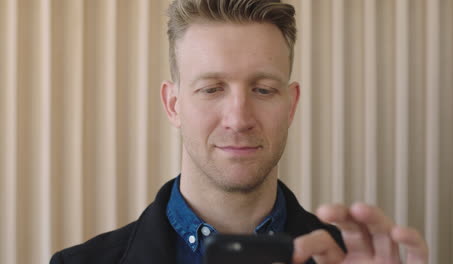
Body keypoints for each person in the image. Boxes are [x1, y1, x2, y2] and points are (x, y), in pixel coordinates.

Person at [50, 0, 428, 263]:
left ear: (291, 104)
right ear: (173, 105)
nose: (238, 118)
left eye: (263, 89)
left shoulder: (348, 259)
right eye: (212, 89)